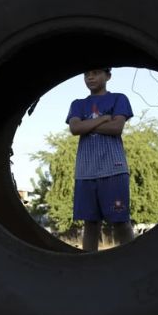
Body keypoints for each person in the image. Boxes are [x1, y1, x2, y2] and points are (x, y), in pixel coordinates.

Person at [66, 67, 135, 252]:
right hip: (85, 172)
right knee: (90, 224)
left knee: (121, 222)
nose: (90, 76)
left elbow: (116, 128)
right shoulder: (77, 104)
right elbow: (74, 129)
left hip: (113, 168)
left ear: (108, 76)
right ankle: (88, 267)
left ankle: (132, 262)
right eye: (86, 73)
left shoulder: (119, 98)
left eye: (95, 72)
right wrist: (103, 119)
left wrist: (85, 125)